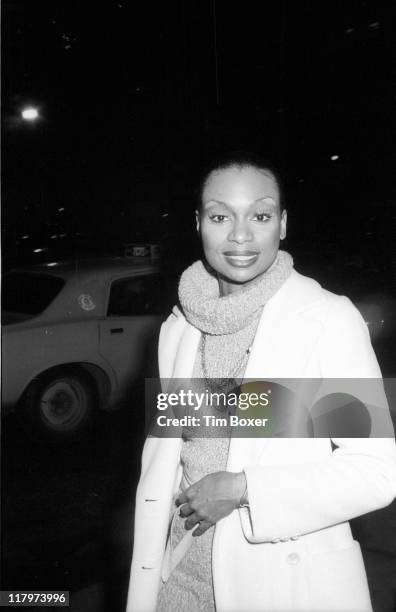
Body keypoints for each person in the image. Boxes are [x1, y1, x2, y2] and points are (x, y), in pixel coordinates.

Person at [126, 151, 396, 612]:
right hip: (177, 582)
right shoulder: (178, 328)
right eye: (219, 216)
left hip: (279, 585)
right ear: (198, 223)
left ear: (283, 224)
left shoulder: (326, 319)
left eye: (261, 214)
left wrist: (244, 488)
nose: (240, 235)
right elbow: (172, 456)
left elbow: (377, 472)